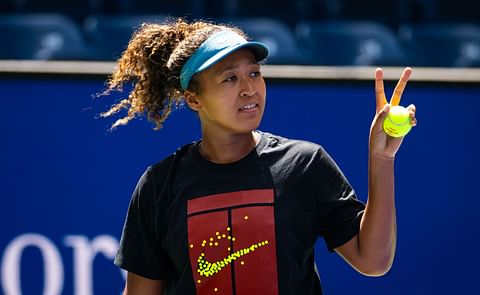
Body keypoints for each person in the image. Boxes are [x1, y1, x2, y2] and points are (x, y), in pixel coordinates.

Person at [101, 18, 417, 295]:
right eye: (230, 78)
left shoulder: (304, 164)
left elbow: (373, 261)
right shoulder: (158, 186)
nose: (249, 89)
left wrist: (382, 159)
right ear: (194, 99)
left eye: (254, 73)